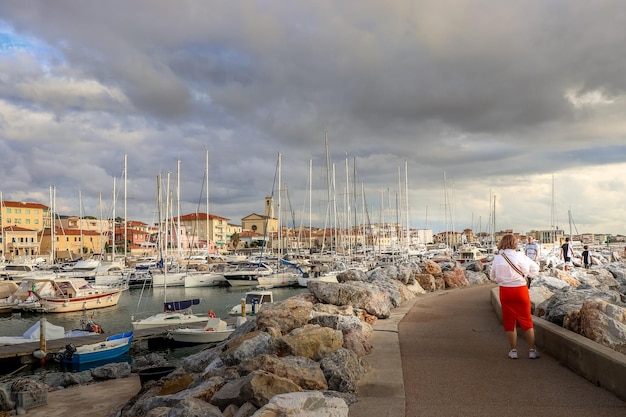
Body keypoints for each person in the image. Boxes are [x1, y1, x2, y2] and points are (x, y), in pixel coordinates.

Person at [490, 234, 540, 359]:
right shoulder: (520, 256)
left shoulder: (498, 258)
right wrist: (526, 274)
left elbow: (492, 276)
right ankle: (532, 350)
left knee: (509, 321)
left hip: (505, 291)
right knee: (526, 320)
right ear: (515, 244)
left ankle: (513, 351)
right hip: (520, 290)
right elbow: (535, 269)